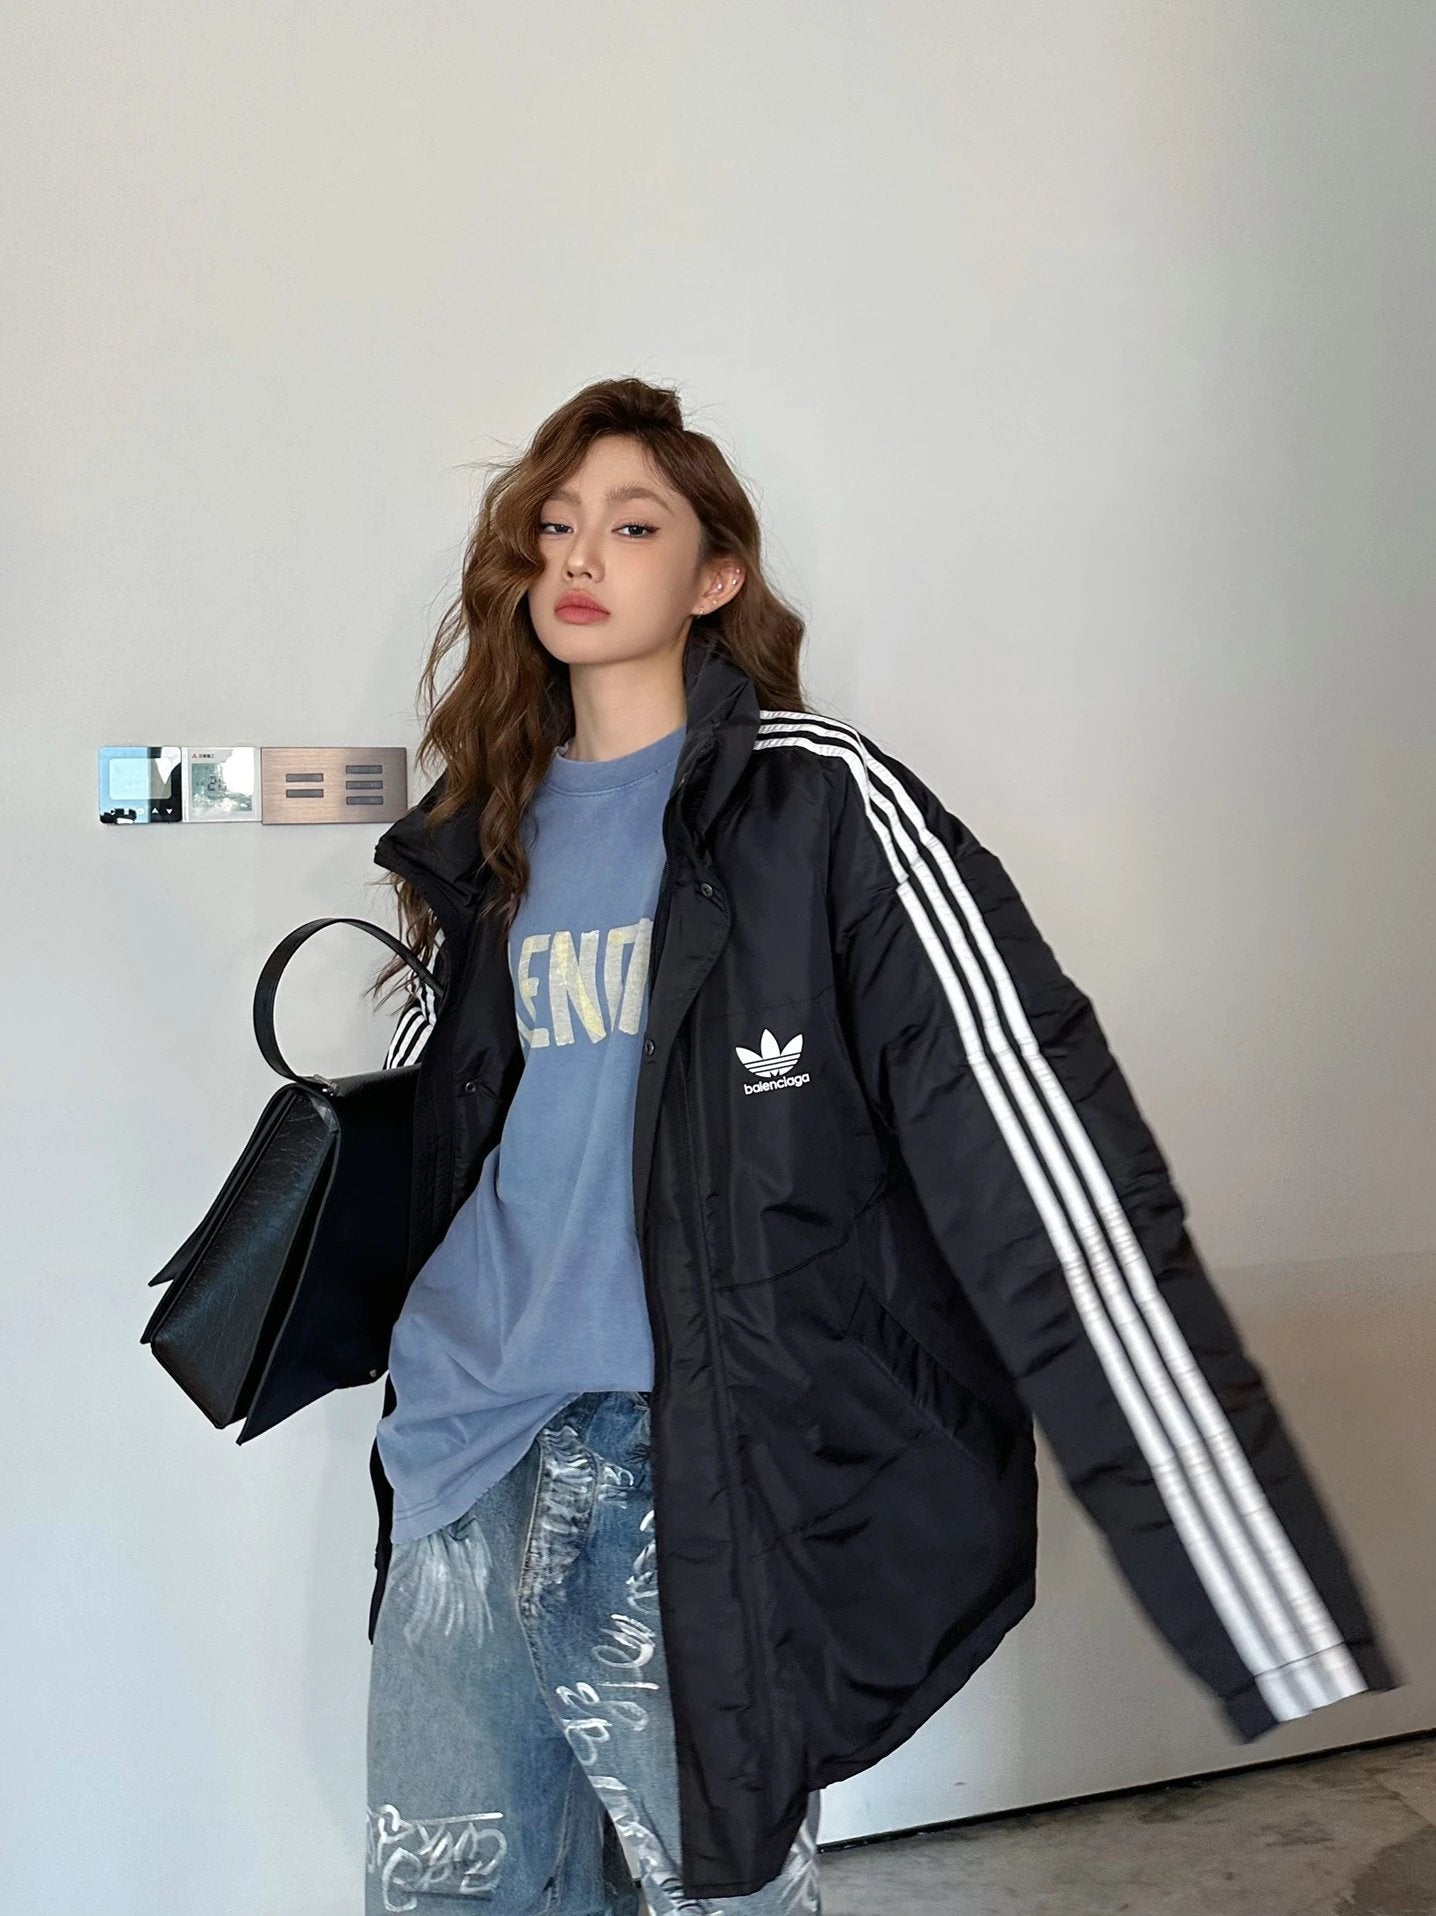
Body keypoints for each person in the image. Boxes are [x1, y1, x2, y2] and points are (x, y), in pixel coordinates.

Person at [360, 378, 1398, 1913]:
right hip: (465, 1439)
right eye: (554, 525)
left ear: (715, 575)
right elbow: (481, 1138)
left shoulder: (816, 807)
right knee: (448, 1899)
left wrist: (1223, 1552)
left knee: (725, 1898)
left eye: (633, 525)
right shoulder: (488, 827)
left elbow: (1032, 1139)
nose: (579, 555)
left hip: (684, 1461)